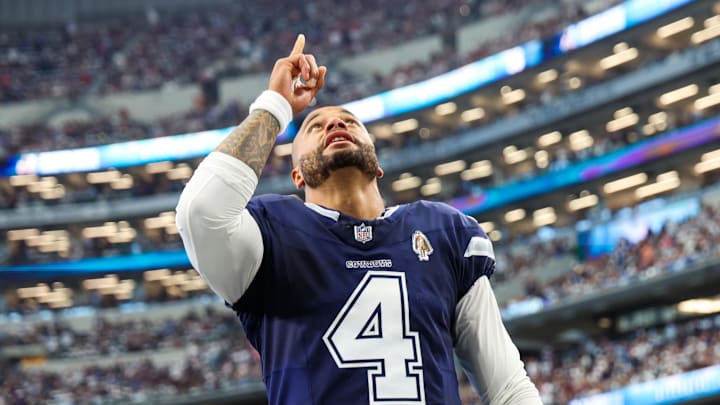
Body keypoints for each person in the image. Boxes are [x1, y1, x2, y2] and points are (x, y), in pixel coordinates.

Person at [176, 34, 542, 405]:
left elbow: (508, 387)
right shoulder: (271, 234)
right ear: (297, 175)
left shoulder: (443, 232)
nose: (335, 124)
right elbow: (201, 212)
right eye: (315, 126)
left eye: (349, 121)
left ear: (377, 165)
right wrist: (275, 107)